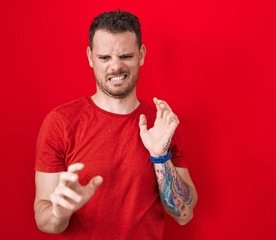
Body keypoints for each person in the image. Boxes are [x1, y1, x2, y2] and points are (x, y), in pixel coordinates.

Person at [34, 10, 198, 239]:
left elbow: (184, 214)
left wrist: (160, 157)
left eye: (126, 56)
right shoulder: (60, 123)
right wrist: (60, 212)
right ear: (90, 57)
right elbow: (45, 221)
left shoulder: (162, 123)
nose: (115, 67)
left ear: (141, 54)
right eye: (104, 58)